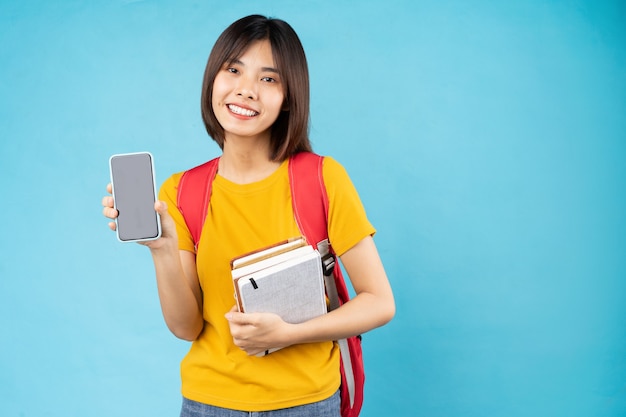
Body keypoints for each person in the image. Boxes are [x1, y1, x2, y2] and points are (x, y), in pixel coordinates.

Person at [102, 14, 395, 417]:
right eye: (233, 70)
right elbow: (186, 328)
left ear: (289, 96)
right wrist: (161, 249)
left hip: (307, 404)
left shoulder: (322, 179)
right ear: (213, 80)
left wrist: (289, 334)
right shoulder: (181, 191)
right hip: (207, 404)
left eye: (268, 79)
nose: (246, 90)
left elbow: (379, 302)